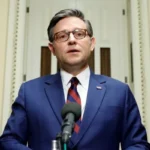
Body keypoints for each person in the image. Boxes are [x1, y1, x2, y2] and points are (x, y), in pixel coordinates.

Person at [0, 8, 150, 150]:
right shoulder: (30, 92)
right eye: (62, 36)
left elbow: (138, 144)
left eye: (79, 34)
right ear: (52, 48)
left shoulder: (119, 92)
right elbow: (8, 141)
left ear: (92, 43)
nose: (72, 40)